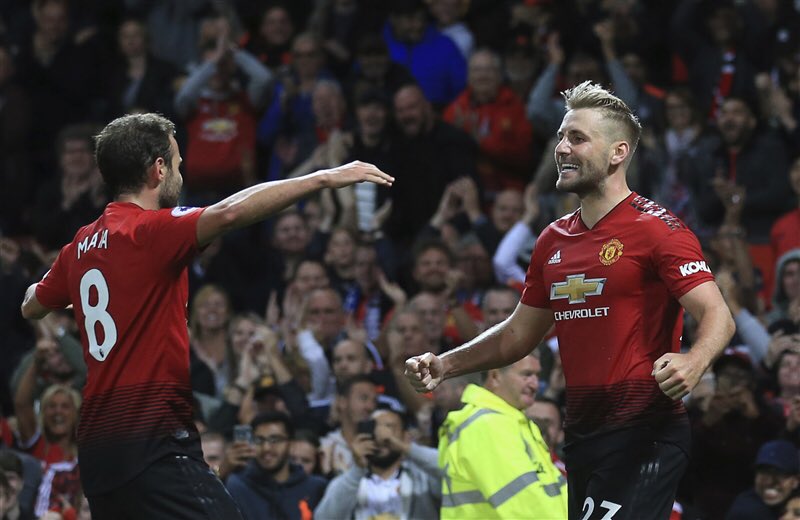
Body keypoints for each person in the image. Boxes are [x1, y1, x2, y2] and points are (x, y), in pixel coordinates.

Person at [20, 112, 393, 519]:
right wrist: (322, 178)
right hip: (153, 440)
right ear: (158, 169)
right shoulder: (150, 231)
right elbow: (229, 212)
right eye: (177, 164)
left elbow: (32, 304)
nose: (180, 174)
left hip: (97, 452)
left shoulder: (79, 246)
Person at [405, 81, 735, 520]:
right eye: (561, 137)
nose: (561, 148)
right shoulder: (552, 239)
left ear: (618, 152)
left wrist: (694, 361)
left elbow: (717, 314)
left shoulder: (658, 229)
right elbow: (518, 334)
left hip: (644, 431)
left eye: (577, 138)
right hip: (582, 436)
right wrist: (446, 365)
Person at [437, 351, 567, 518]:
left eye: (537, 375)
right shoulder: (486, 425)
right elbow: (525, 508)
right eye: (527, 374)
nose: (535, 384)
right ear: (495, 376)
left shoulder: (511, 422)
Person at [314, 406, 441, 519]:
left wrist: (406, 448)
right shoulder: (351, 480)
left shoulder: (422, 478)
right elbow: (324, 518)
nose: (380, 436)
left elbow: (448, 467)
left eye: (389, 427)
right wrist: (357, 471)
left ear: (405, 436)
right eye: (374, 428)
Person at [225, 412, 327, 520]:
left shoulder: (315, 487)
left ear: (291, 444)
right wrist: (222, 470)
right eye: (259, 440)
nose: (266, 448)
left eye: (275, 440)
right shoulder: (238, 486)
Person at [726, 439, 799, 519]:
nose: (769, 482)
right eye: (764, 473)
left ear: (795, 481)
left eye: (780, 474)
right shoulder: (747, 513)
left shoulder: (794, 498)